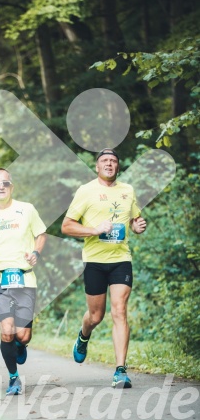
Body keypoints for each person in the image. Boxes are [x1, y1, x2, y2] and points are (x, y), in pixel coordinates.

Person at [61, 148, 147, 388]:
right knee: (96, 316)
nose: (109, 164)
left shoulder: (127, 191)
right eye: (104, 161)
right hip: (95, 261)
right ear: (97, 167)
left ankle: (120, 370)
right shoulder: (86, 191)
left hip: (121, 259)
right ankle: (83, 335)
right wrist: (94, 230)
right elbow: (67, 226)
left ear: (117, 167)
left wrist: (139, 225)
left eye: (113, 161)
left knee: (119, 310)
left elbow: (135, 219)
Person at [0, 167, 47, 396]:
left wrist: (36, 253)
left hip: (24, 279)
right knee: (6, 332)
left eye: (5, 183)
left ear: (11, 187)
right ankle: (14, 378)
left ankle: (20, 345)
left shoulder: (27, 210)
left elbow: (40, 234)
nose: (1, 187)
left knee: (23, 335)